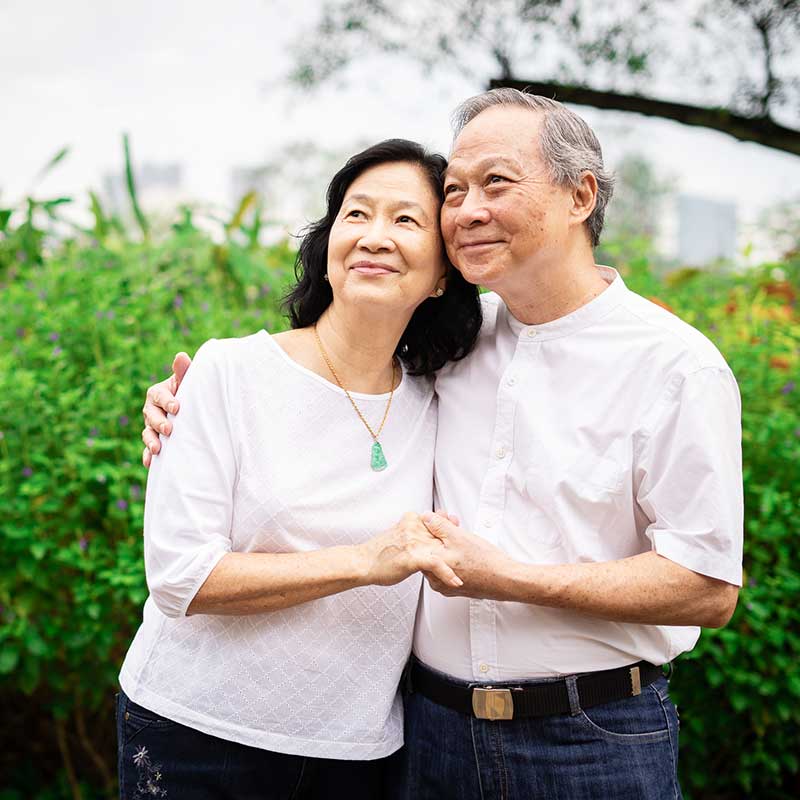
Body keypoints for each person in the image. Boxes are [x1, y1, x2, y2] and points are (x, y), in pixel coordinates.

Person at [143, 90, 743, 800]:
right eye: (454, 191)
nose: (467, 210)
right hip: (425, 736)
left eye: (496, 183)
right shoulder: (451, 345)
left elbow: (706, 585)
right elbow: (319, 380)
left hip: (591, 740)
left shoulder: (674, 365)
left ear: (582, 194)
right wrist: (181, 400)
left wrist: (511, 578)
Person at [118, 138, 483, 800]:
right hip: (198, 736)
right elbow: (180, 577)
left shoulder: (444, 400)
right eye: (356, 214)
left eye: (406, 220)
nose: (375, 236)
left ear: (442, 274)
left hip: (362, 752)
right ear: (329, 246)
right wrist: (364, 561)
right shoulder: (228, 372)